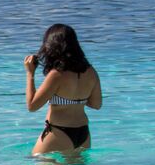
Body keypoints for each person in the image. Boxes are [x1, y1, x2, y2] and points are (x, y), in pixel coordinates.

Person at [25, 23, 103, 156]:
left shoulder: (57, 75)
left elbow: (32, 106)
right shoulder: (91, 72)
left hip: (59, 133)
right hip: (83, 134)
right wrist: (75, 99)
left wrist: (30, 73)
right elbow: (96, 104)